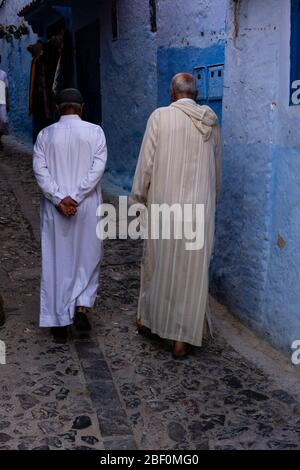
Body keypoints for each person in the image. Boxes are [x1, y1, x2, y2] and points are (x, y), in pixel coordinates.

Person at [131, 73, 222, 359]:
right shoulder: (211, 122)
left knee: (161, 264)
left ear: (172, 94)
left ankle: (151, 322)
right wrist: (211, 201)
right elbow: (216, 169)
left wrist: (138, 198)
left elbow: (146, 162)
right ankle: (182, 339)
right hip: (199, 208)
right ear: (194, 95)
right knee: (191, 272)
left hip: (165, 206)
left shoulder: (160, 117)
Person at [33, 88, 107, 343]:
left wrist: (58, 197)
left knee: (57, 260)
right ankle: (82, 307)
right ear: (82, 107)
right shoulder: (95, 132)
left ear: (58, 108)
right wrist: (76, 195)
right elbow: (98, 168)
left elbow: (40, 171)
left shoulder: (45, 135)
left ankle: (59, 321)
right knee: (88, 257)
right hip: (86, 205)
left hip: (57, 209)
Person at [0, 55, 9, 150]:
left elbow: (6, 89)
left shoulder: (3, 74)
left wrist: (8, 103)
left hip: (2, 101)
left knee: (3, 121)